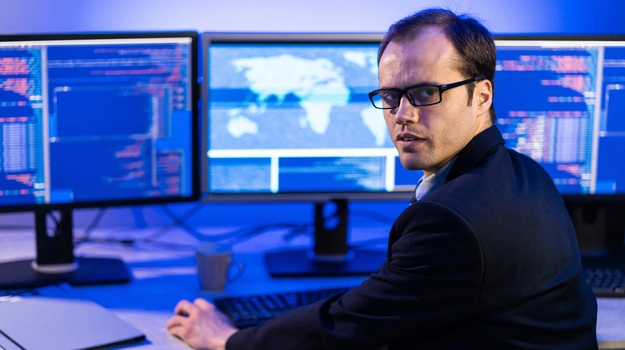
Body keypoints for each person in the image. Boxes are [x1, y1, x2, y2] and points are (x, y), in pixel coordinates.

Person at [167, 7, 598, 349]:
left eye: (426, 93)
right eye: (391, 96)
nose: (402, 115)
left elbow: (349, 324)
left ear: (481, 95)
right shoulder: (527, 174)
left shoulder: (454, 219)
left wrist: (231, 340)